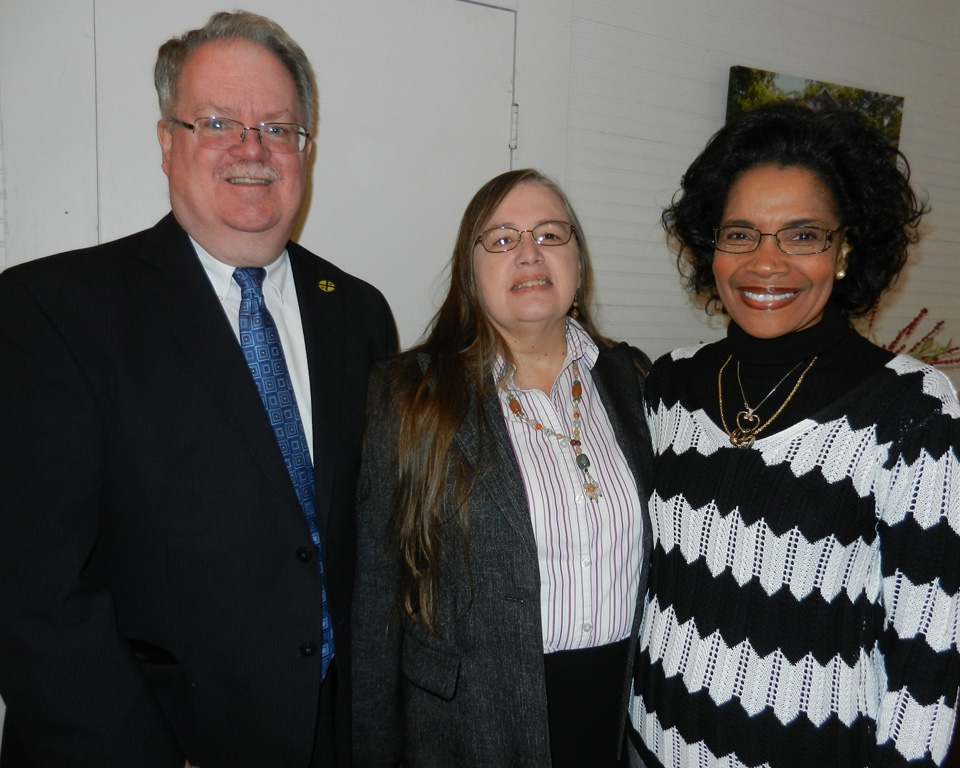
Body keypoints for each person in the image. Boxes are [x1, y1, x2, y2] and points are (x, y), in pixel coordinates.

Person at [0, 11, 395, 768]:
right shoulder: (53, 312)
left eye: (279, 128)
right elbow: (30, 594)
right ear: (166, 143)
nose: (253, 149)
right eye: (218, 122)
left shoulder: (360, 314)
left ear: (306, 151)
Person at [630, 102, 960, 767]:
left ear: (844, 250)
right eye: (741, 234)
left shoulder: (909, 408)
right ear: (712, 249)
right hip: (649, 743)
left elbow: (930, 652)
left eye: (802, 235)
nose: (766, 262)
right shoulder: (667, 386)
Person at [352, 168, 653, 767]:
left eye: (550, 234)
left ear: (577, 260)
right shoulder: (411, 395)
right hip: (468, 729)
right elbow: (376, 602)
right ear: (472, 270)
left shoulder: (633, 379)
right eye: (502, 239)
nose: (529, 253)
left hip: (616, 716)